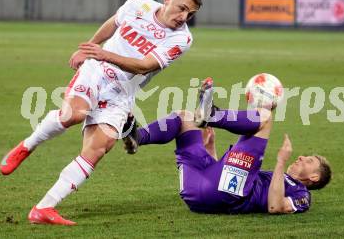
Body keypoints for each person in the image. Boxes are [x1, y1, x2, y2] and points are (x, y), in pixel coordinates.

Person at [0, 0, 202, 225]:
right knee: (73, 115)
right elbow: (114, 23)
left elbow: (145, 66)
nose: (184, 17)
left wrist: (105, 53)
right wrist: (90, 47)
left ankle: (43, 208)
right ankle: (27, 145)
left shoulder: (182, 38)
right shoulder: (139, 5)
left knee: (99, 146)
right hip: (97, 71)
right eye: (181, 8)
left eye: (190, 14)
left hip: (122, 92)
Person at [124, 78, 332, 214]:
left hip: (224, 195)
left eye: (310, 161)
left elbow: (275, 206)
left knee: (266, 117)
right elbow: (225, 179)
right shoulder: (269, 178)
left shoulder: (301, 195)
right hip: (196, 193)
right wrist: (210, 150)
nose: (302, 157)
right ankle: (136, 137)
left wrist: (280, 162)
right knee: (184, 117)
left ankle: (211, 115)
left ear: (314, 177)